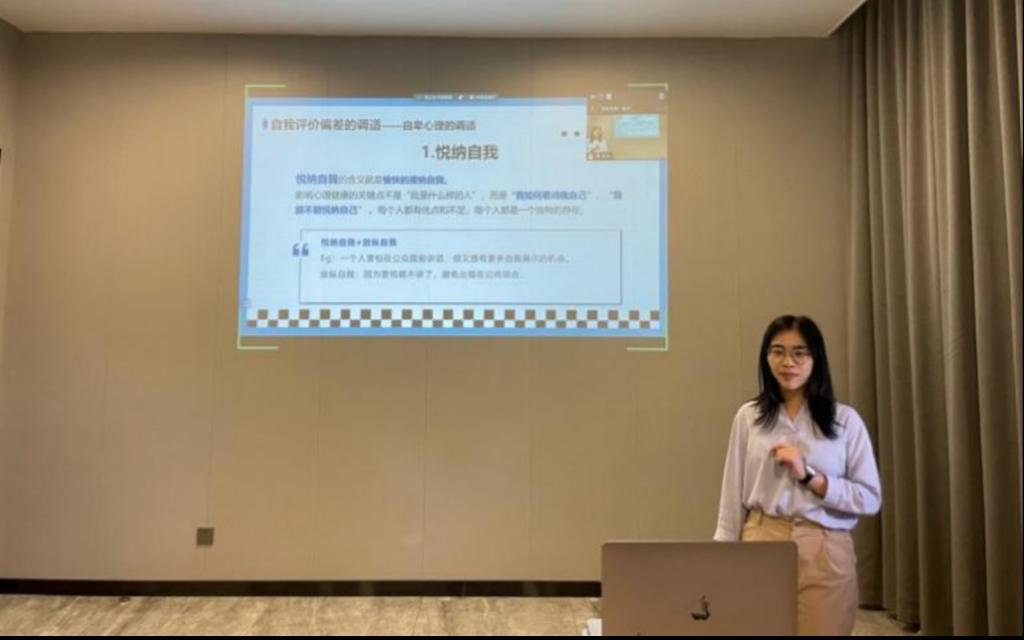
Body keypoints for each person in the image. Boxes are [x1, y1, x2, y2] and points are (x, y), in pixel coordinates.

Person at [714, 315, 881, 636]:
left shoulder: (845, 421)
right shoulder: (749, 417)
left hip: (824, 547)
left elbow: (870, 498)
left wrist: (811, 478)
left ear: (816, 359)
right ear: (766, 358)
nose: (787, 362)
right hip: (762, 541)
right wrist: (722, 556)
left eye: (799, 353)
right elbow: (731, 496)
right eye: (777, 351)